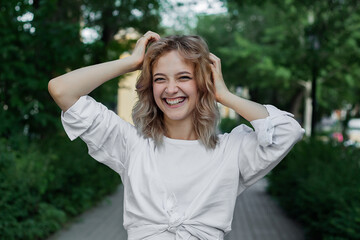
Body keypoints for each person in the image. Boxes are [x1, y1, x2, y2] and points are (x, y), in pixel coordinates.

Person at [48, 31, 305, 240]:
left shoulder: (232, 150)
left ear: (204, 84)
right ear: (151, 87)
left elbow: (287, 131)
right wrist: (132, 62)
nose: (171, 89)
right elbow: (61, 90)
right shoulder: (132, 144)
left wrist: (224, 95)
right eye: (160, 79)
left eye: (184, 77)